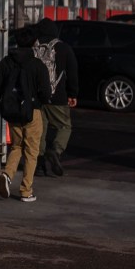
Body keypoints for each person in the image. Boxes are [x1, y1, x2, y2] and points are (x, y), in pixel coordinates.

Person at [0, 26, 52, 202]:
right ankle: (26, 191)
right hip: (32, 112)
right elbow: (46, 93)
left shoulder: (5, 62)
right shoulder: (37, 65)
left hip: (12, 113)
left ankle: (7, 174)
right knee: (31, 151)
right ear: (34, 43)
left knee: (16, 146)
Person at [34, 17, 79, 177]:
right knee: (64, 126)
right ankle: (56, 151)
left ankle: (38, 165)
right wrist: (73, 93)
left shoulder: (33, 47)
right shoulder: (64, 48)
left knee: (40, 130)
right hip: (57, 96)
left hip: (37, 97)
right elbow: (72, 72)